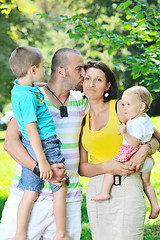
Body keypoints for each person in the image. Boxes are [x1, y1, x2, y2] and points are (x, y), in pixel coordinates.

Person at [0, 49, 155, 239]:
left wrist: (146, 148)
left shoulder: (83, 102)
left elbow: (149, 131)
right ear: (61, 71)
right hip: (31, 194)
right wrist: (42, 170)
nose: (84, 75)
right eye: (79, 69)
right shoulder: (33, 97)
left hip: (68, 199)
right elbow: (10, 143)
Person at [79, 61, 159, 240]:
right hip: (97, 189)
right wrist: (108, 166)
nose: (91, 84)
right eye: (87, 78)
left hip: (127, 185)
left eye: (98, 79)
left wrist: (145, 149)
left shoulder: (121, 108)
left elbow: (152, 134)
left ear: (107, 85)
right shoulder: (81, 118)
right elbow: (82, 168)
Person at [9, 46, 70, 240]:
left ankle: (19, 234)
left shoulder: (22, 87)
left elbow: (37, 86)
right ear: (33, 69)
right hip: (43, 143)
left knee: (30, 191)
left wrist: (47, 84)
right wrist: (42, 162)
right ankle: (60, 234)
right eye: (43, 67)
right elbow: (32, 130)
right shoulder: (27, 98)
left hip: (31, 144)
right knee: (60, 185)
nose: (46, 70)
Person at [91, 85, 160, 219]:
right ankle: (155, 205)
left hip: (132, 153)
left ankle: (104, 192)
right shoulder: (145, 118)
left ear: (140, 106)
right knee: (147, 183)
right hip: (147, 159)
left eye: (128, 104)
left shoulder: (135, 123)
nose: (124, 108)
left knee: (110, 169)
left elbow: (134, 143)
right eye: (123, 104)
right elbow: (153, 132)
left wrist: (124, 132)